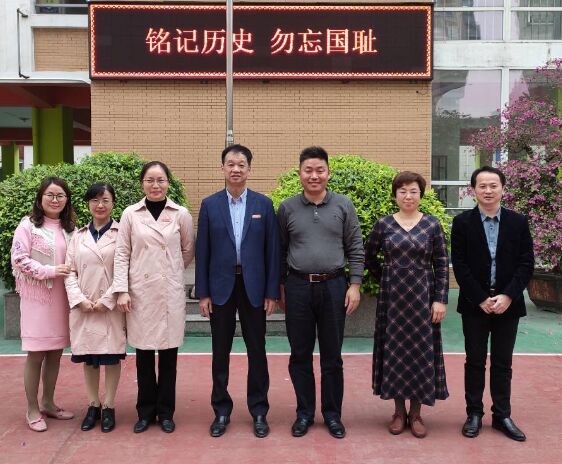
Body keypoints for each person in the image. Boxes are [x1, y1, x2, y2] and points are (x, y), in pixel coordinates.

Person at [277, 146, 364, 439]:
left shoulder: (343, 205)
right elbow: (280, 251)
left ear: (328, 172)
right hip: (298, 287)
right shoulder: (287, 208)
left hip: (334, 286)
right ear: (299, 173)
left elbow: (355, 247)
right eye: (308, 170)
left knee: (332, 356)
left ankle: (332, 414)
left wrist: (355, 284)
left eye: (320, 170)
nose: (314, 176)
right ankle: (304, 413)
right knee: (299, 354)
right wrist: (280, 287)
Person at [195, 144, 280, 438]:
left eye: (241, 164)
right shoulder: (209, 205)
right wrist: (203, 293)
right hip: (220, 287)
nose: (235, 169)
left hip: (254, 287)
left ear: (249, 169)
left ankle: (259, 410)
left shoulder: (263, 205)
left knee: (257, 351)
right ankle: (221, 410)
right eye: (230, 164)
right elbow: (202, 252)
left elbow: (272, 252)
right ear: (222, 168)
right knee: (220, 352)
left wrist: (271, 292)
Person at [364, 171, 449, 439]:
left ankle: (416, 413)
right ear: (395, 195)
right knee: (395, 352)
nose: (408, 196)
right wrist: (386, 277)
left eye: (413, 191)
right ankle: (399, 412)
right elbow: (369, 256)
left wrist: (440, 299)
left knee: (420, 353)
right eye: (402, 191)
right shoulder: (383, 224)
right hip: (393, 300)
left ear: (421, 194)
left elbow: (442, 265)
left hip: (423, 298)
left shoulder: (432, 225)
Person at [452, 166, 533, 442]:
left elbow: (526, 263)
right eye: (482, 186)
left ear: (502, 188)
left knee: (502, 362)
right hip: (475, 304)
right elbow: (460, 265)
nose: (488, 191)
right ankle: (474, 413)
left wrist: (508, 295)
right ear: (473, 190)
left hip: (508, 304)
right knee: (474, 361)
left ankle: (502, 415)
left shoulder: (518, 222)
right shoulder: (462, 223)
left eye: (493, 185)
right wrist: (480, 298)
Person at [114, 161, 195, 434]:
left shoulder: (181, 214)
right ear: (142, 183)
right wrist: (122, 289)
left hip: (169, 292)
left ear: (168, 183)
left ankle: (166, 412)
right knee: (144, 356)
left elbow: (187, 251)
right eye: (150, 180)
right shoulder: (130, 214)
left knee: (169, 356)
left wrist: (168, 272)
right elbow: (122, 253)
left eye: (161, 180)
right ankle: (145, 412)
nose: (155, 185)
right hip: (141, 293)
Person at [11, 177, 76, 432]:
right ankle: (32, 408)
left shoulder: (70, 229)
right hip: (37, 301)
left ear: (67, 200)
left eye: (60, 195)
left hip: (62, 299)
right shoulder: (28, 225)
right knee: (36, 354)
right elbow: (19, 259)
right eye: (50, 195)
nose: (55, 200)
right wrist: (49, 270)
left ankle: (48, 402)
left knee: (56, 353)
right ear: (40, 198)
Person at [64, 183, 125, 433]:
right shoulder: (77, 236)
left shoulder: (121, 234)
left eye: (105, 200)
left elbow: (124, 270)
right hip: (84, 306)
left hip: (109, 307)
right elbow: (69, 271)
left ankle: (109, 405)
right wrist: (79, 299)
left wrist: (107, 300)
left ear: (113, 204)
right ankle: (93, 404)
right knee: (89, 359)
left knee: (111, 357)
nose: (100, 205)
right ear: (88, 204)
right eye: (95, 200)